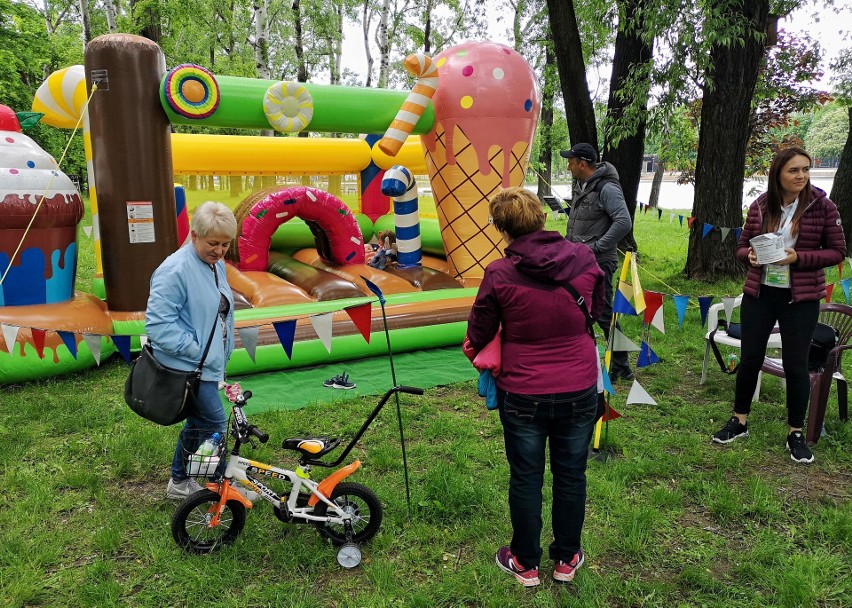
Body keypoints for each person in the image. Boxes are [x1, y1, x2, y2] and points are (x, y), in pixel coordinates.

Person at [466, 187, 605, 587]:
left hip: (523, 390)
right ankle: (566, 557)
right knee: (571, 474)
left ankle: (526, 562)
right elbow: (598, 310)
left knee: (526, 477)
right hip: (579, 384)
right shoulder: (585, 259)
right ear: (543, 218)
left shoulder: (498, 273)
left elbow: (479, 332)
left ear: (501, 228)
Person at [712, 147, 845, 464]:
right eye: (794, 171)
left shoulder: (822, 207)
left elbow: (837, 252)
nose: (802, 176)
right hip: (760, 294)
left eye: (806, 169)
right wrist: (750, 257)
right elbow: (742, 246)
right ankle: (739, 420)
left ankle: (795, 432)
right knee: (750, 357)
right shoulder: (760, 206)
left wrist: (799, 258)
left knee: (796, 364)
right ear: (778, 175)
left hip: (800, 299)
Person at [146, 201, 237, 499]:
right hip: (187, 366)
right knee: (213, 423)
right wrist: (199, 350)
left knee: (199, 422)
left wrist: (219, 352)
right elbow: (159, 327)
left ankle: (182, 480)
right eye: (213, 243)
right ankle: (217, 486)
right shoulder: (174, 270)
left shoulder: (215, 265)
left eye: (225, 244)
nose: (220, 250)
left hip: (206, 364)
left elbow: (219, 311)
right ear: (195, 235)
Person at [562, 143, 634, 380]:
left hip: (599, 262)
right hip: (578, 260)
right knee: (578, 309)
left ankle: (621, 366)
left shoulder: (607, 188)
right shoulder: (584, 186)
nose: (569, 165)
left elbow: (623, 222)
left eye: (571, 161)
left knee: (603, 313)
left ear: (582, 163)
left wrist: (597, 247)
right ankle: (585, 359)